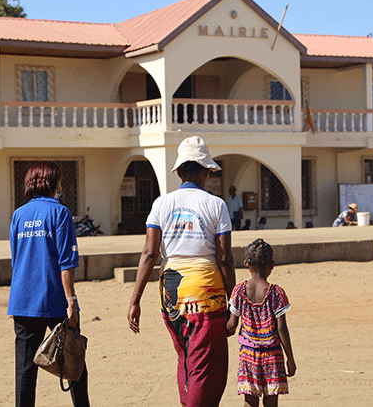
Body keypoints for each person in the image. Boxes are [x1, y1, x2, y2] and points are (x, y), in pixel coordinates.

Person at [127, 136, 236, 407]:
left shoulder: (161, 204)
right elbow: (224, 258)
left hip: (170, 292)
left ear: (180, 172)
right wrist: (233, 302)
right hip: (205, 293)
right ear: (204, 171)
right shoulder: (216, 205)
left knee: (185, 356)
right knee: (205, 366)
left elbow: (149, 254)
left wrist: (135, 300)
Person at [7, 161, 89, 407]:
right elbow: (66, 262)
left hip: (23, 301)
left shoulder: (18, 215)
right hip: (56, 302)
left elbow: (16, 258)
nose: (61, 186)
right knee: (74, 364)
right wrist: (72, 302)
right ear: (52, 183)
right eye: (59, 181)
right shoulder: (60, 213)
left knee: (24, 370)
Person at [227, 239, 296, 407]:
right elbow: (282, 329)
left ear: (245, 264)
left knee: (249, 402)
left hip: (248, 356)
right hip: (272, 356)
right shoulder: (276, 293)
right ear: (271, 264)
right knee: (271, 403)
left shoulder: (239, 291)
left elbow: (231, 325)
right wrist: (290, 358)